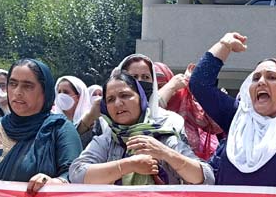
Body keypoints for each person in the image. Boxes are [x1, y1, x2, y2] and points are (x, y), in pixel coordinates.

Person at [188, 31, 276, 187]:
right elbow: (199, 84)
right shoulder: (238, 119)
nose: (261, 82)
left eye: (272, 77)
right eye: (256, 78)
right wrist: (225, 45)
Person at [69, 73, 213, 186]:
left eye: (125, 95)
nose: (118, 103)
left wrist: (165, 153)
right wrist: (129, 165)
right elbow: (77, 174)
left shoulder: (164, 136)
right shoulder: (108, 140)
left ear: (141, 99)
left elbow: (206, 177)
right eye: (110, 100)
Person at [0, 59, 81, 192]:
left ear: (45, 91)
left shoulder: (59, 128)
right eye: (12, 84)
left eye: (27, 86)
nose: (17, 92)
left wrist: (55, 182)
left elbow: (74, 176)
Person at [154, 62, 222, 161]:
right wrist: (170, 86)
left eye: (161, 86)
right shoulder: (139, 111)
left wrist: (196, 89)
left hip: (189, 170)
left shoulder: (185, 103)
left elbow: (216, 125)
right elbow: (151, 110)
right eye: (154, 88)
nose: (158, 92)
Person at [116, 54, 185, 132]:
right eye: (134, 77)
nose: (140, 82)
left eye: (145, 77)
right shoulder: (106, 123)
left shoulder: (172, 121)